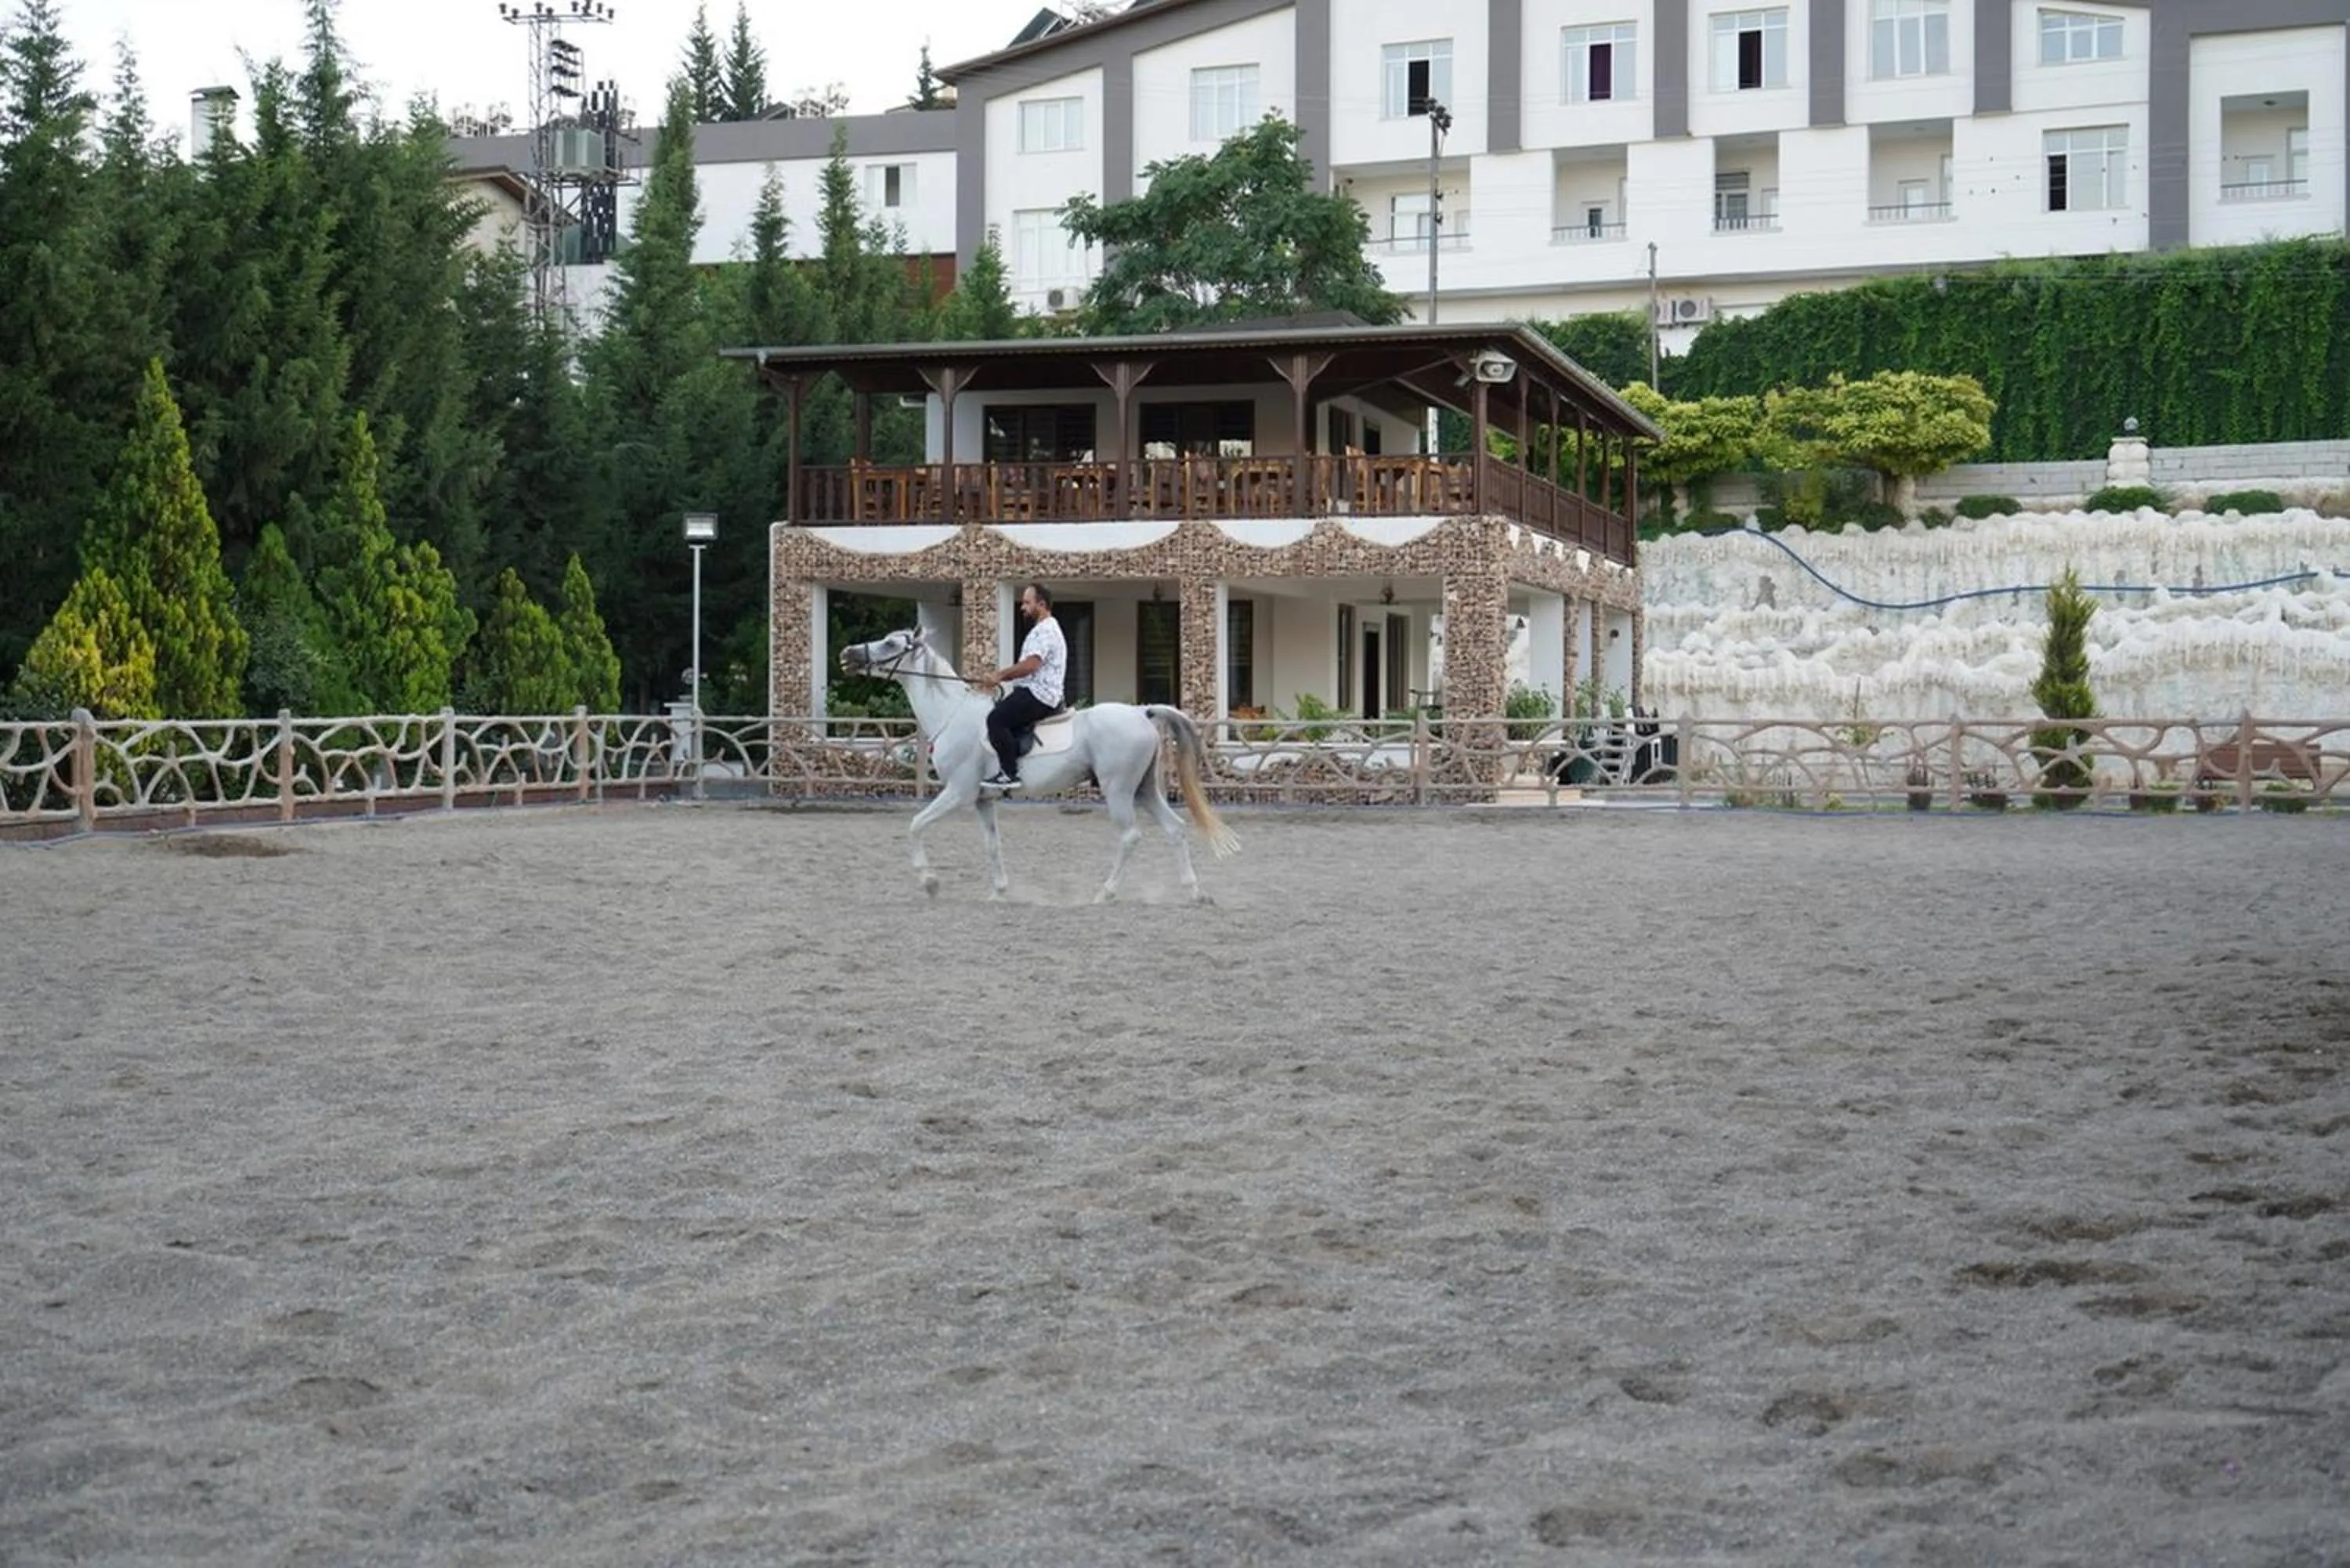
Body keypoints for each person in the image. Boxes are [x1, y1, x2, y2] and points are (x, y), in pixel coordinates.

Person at [976, 583, 1067, 788]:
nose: (1022, 607)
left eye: (1027, 603)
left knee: (996, 719)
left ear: (1042, 605)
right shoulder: (1044, 629)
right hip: (1038, 692)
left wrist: (1000, 676)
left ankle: (1009, 773)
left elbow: (1031, 665)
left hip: (1038, 694)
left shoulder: (1045, 630)